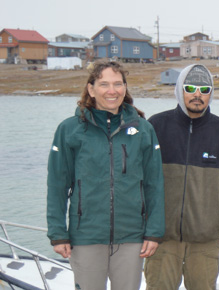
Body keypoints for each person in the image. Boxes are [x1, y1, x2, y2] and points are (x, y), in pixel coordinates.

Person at [46, 60, 164, 290]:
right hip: (86, 236)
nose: (112, 91)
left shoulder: (143, 129)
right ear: (91, 89)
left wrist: (154, 232)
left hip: (132, 237)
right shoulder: (69, 130)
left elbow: (154, 184)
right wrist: (58, 233)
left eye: (118, 84)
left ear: (125, 88)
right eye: (104, 84)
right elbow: (58, 185)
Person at [144, 64, 219, 290]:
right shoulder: (155, 126)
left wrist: (217, 221)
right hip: (162, 239)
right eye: (190, 88)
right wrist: (149, 221)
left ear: (211, 94)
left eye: (204, 90)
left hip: (206, 241)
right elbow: (141, 180)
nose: (197, 95)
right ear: (180, 90)